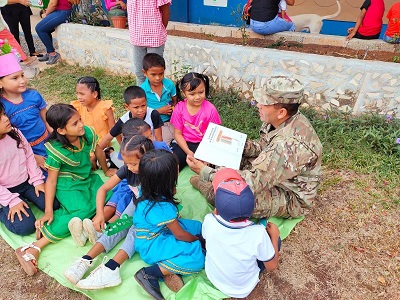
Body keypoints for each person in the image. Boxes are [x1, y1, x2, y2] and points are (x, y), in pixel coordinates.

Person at [187, 75, 323, 219]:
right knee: (226, 156)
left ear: (281, 112)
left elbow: (252, 182)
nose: (258, 105)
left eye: (264, 103)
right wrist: (235, 145)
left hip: (290, 195)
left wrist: (205, 172)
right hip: (273, 174)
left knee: (229, 200)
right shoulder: (279, 119)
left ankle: (206, 186)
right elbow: (263, 147)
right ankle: (214, 176)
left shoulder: (288, 146)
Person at [14, 104, 113, 276]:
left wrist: (105, 170)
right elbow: (51, 181)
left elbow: (98, 151)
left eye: (80, 120)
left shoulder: (87, 133)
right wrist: (48, 211)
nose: (81, 124)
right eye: (75, 123)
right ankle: (36, 246)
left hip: (87, 179)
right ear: (61, 130)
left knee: (108, 193)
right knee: (82, 208)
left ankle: (81, 229)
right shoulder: (56, 151)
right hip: (67, 185)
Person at [63, 136, 155, 289]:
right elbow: (103, 189)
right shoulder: (128, 169)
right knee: (118, 226)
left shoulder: (154, 173)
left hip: (153, 208)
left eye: (134, 164)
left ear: (149, 159)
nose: (129, 167)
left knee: (135, 231)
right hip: (136, 203)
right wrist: (100, 214)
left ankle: (112, 268)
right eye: (126, 163)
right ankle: (86, 260)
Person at [133, 149, 205, 300]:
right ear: (166, 180)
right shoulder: (162, 208)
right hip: (152, 243)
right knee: (197, 256)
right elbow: (179, 234)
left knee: (198, 226)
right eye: (176, 170)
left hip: (159, 230)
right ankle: (151, 273)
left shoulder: (147, 189)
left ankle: (169, 269)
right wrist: (197, 240)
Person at [203, 168, 281, 298]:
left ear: (217, 209)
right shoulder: (258, 234)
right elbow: (272, 266)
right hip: (242, 288)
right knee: (275, 242)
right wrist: (274, 235)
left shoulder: (209, 221)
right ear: (252, 212)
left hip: (213, 276)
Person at [0, 102, 58, 235]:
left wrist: (37, 181)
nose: (6, 118)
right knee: (26, 227)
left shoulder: (14, 132)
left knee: (53, 204)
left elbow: (29, 156)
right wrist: (11, 200)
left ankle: (23, 198)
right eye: (0, 118)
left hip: (26, 182)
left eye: (3, 114)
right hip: (5, 191)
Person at [0, 52, 52, 172]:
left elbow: (46, 119)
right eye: (15, 78)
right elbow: (7, 139)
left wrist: (57, 139)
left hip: (48, 143)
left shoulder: (33, 95)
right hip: (22, 153)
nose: (22, 80)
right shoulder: (2, 107)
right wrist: (32, 157)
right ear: (0, 83)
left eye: (22, 75)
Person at [170, 72, 221, 171]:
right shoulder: (179, 108)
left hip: (204, 144)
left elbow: (214, 136)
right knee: (172, 165)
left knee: (209, 168)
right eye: (192, 94)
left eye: (201, 92)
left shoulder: (210, 109)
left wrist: (204, 155)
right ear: (184, 93)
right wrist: (189, 152)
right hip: (184, 144)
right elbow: (178, 134)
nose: (197, 97)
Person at [98, 86, 163, 150]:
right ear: (127, 107)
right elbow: (108, 138)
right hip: (133, 152)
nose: (141, 110)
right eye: (136, 107)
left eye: (143, 105)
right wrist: (93, 157)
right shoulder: (124, 120)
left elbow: (159, 139)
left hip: (152, 147)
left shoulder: (153, 114)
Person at [127, 0, 171, 85]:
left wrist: (160, 30)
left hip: (155, 39)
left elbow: (166, 12)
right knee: (140, 74)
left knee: (155, 74)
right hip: (137, 39)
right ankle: (141, 97)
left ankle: (156, 97)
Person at [140, 53, 177, 146]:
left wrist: (173, 109)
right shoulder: (142, 90)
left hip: (172, 121)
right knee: (161, 146)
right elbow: (142, 111)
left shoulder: (169, 85)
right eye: (153, 74)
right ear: (144, 72)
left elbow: (174, 100)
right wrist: (159, 111)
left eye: (161, 74)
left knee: (181, 140)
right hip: (154, 124)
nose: (158, 78)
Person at [71, 76, 116, 144]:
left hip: (104, 144)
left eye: (82, 94)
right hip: (85, 143)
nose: (79, 97)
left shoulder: (105, 108)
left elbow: (113, 131)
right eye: (77, 93)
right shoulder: (77, 107)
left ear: (94, 94)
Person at [35, 0, 72, 65]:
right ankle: (49, 52)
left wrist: (46, 14)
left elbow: (53, 3)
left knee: (39, 28)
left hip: (62, 11)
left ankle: (53, 54)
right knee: (46, 29)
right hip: (63, 11)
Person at [0, 0, 36, 66]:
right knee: (13, 36)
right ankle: (21, 58)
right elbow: (4, 1)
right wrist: (20, 1)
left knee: (27, 31)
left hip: (22, 7)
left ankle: (31, 52)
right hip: (9, 10)